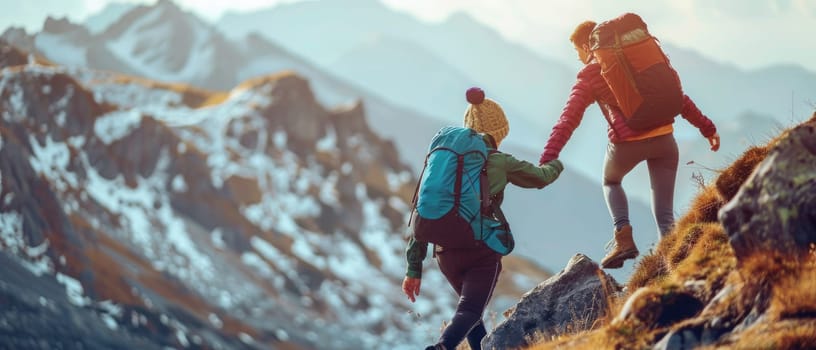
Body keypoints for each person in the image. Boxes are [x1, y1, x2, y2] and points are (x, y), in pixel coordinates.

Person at [538, 20, 721, 269]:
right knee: (665, 214)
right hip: (665, 140)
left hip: (627, 145)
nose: (579, 58)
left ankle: (623, 238)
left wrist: (548, 157)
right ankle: (673, 266)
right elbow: (679, 98)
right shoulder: (636, 64)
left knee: (611, 181)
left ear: (586, 46)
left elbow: (568, 119)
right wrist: (707, 128)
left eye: (577, 52)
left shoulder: (591, 75)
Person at [402, 87, 564, 350]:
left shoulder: (443, 160)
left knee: (471, 316)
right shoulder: (498, 159)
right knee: (470, 310)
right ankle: (442, 347)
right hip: (479, 252)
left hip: (444, 253)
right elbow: (541, 177)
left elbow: (426, 206)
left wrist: (413, 269)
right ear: (498, 132)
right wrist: (556, 161)